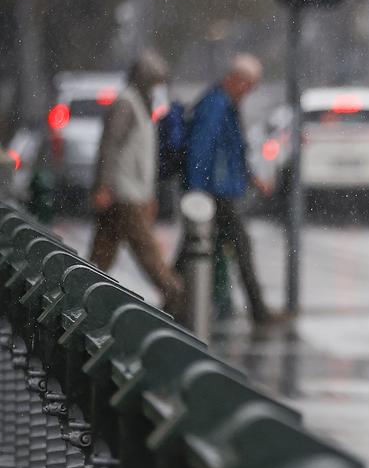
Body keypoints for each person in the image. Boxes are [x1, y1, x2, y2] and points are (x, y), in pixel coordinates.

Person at [184, 53, 282, 327]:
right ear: (236, 80)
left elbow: (233, 149)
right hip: (215, 193)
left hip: (218, 190)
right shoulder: (216, 105)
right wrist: (197, 191)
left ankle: (175, 303)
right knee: (237, 246)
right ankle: (259, 311)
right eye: (248, 85)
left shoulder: (223, 104)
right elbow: (201, 150)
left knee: (193, 252)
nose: (248, 92)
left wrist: (251, 177)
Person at [89, 50, 184, 315]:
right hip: (123, 192)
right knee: (147, 251)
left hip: (133, 192)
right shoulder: (126, 104)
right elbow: (110, 147)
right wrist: (104, 185)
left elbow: (141, 155)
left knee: (103, 252)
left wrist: (149, 194)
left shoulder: (141, 104)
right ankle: (175, 295)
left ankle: (84, 294)